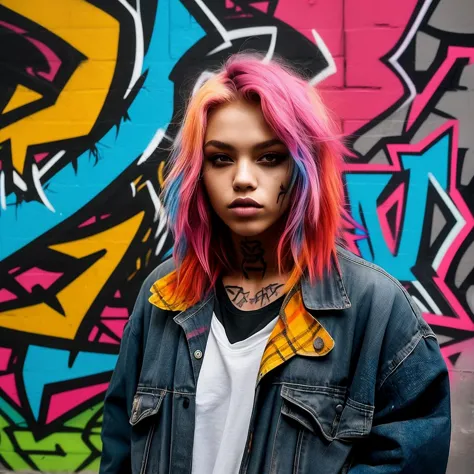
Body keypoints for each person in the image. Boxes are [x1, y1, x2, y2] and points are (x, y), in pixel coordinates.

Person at [99, 53, 451, 474]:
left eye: (269, 157)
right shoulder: (163, 297)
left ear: (305, 167)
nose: (243, 178)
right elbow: (120, 449)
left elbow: (409, 459)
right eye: (221, 158)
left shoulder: (376, 309)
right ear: (199, 173)